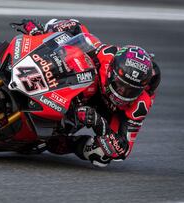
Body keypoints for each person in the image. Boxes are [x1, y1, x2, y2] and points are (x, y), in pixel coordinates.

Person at [16, 18, 161, 167]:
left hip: (101, 111)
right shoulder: (106, 55)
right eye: (120, 85)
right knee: (76, 25)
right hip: (87, 84)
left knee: (102, 156)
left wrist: (99, 123)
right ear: (112, 72)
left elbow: (122, 150)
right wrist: (40, 33)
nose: (122, 92)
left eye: (130, 90)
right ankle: (35, 42)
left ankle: (66, 142)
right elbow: (80, 35)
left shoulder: (140, 105)